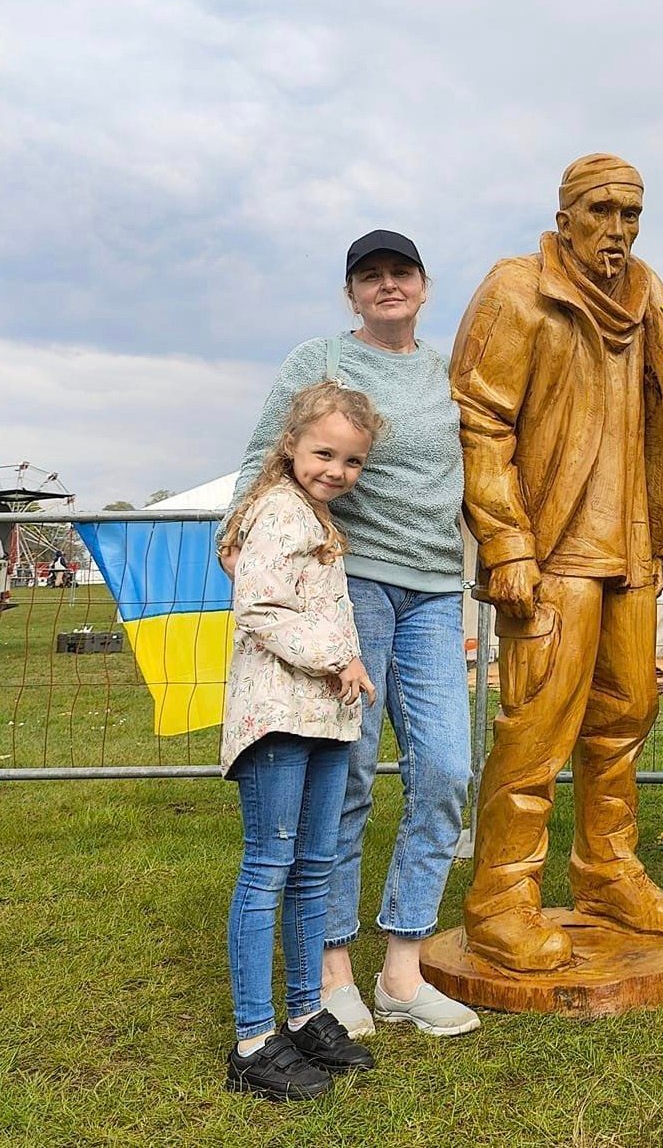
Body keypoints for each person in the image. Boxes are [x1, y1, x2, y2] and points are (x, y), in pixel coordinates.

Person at [226, 230, 478, 1036]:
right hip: (351, 580)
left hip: (438, 588)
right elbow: (266, 451)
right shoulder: (319, 360)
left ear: (424, 284)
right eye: (369, 277)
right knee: (352, 773)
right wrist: (241, 543)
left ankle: (402, 967)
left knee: (444, 767)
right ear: (352, 293)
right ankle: (331, 967)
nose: (386, 285)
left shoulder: (449, 371)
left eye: (399, 272)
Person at [451, 154, 663, 972]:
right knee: (535, 730)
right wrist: (505, 541)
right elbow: (480, 421)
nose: (617, 229)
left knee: (625, 720)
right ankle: (501, 898)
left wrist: (655, 538)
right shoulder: (516, 291)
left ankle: (606, 869)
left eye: (631, 213)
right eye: (601, 211)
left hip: (629, 549)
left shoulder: (656, 300)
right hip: (551, 551)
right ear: (564, 217)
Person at [219, 382, 382, 1100]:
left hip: (322, 718)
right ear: (291, 445)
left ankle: (305, 1011)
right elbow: (259, 605)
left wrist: (342, 669)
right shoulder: (278, 510)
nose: (336, 470)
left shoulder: (313, 513)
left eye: (351, 461)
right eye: (324, 452)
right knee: (269, 866)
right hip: (279, 717)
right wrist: (338, 656)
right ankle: (254, 1037)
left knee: (314, 865)